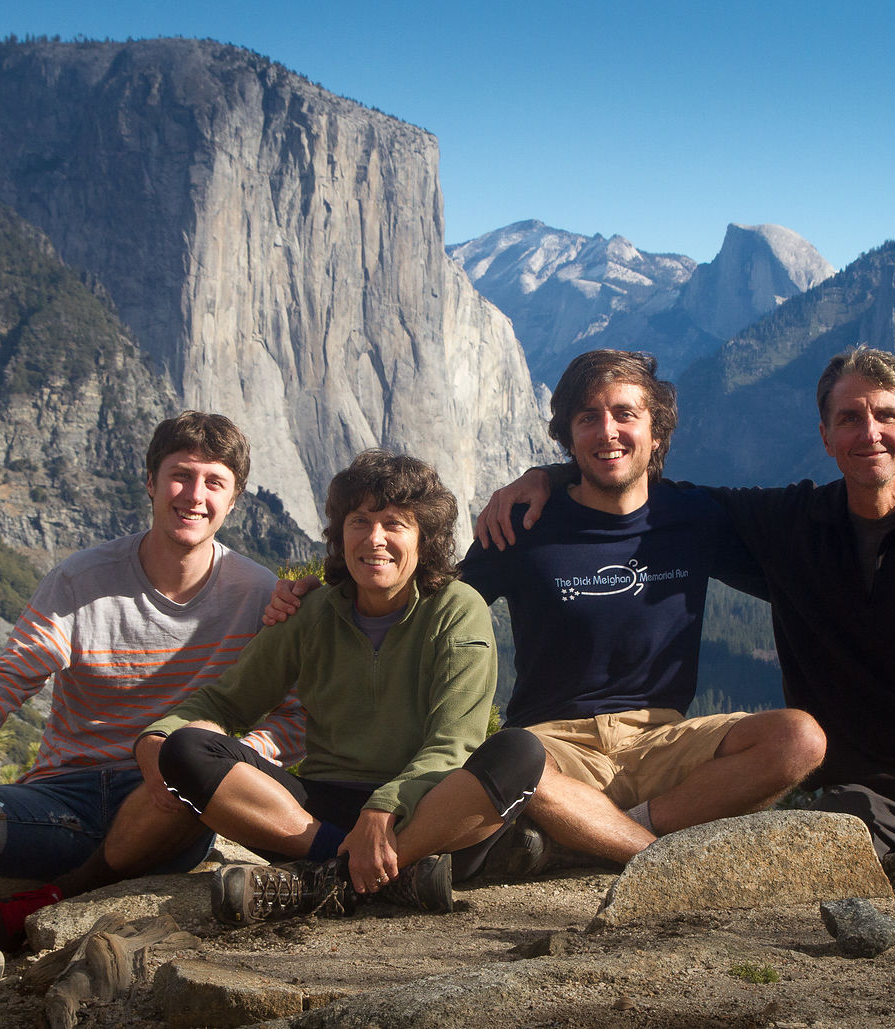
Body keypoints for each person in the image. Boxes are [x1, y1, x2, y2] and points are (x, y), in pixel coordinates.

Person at [481, 347, 895, 856]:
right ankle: (627, 844)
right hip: (863, 801)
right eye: (849, 419)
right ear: (825, 436)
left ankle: (610, 838)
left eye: (885, 416)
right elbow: (630, 483)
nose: (869, 433)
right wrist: (553, 476)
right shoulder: (790, 528)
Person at [268, 352, 825, 872]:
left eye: (624, 415)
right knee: (508, 762)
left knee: (798, 738)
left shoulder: (698, 518)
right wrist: (320, 593)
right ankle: (649, 858)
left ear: (656, 432)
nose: (607, 431)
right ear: (568, 435)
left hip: (663, 741)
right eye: (588, 417)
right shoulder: (522, 527)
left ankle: (606, 835)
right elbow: (423, 607)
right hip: (549, 750)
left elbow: (813, 533)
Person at [0, 412, 305, 1005]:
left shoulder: (258, 594)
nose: (194, 496)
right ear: (150, 481)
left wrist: (227, 761)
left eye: (213, 482)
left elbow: (295, 715)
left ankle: (62, 896)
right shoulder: (82, 581)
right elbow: (4, 682)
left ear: (234, 501)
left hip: (168, 808)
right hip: (61, 798)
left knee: (182, 769)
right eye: (180, 476)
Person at [140, 449, 544, 926]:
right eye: (359, 521)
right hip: (320, 814)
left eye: (395, 524)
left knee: (520, 752)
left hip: (424, 807)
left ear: (424, 538)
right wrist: (159, 735)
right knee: (188, 749)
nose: (374, 539)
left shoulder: (457, 609)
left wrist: (384, 808)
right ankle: (378, 873)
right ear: (340, 532)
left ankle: (322, 882)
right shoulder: (313, 611)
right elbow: (227, 701)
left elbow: (454, 742)